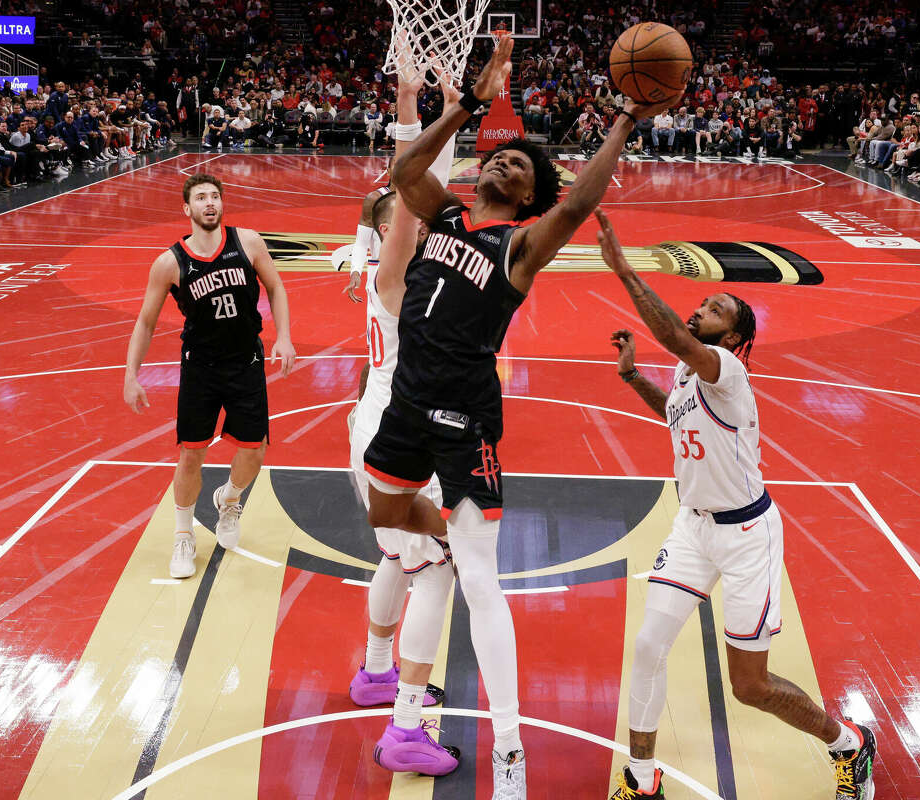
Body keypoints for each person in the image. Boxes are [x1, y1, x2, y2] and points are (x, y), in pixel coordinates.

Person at [363, 35, 666, 799]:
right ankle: (450, 536)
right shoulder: (447, 219)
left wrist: (625, 120)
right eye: (500, 157)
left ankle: (508, 750)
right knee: (386, 510)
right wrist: (466, 103)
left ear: (528, 197)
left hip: (466, 419)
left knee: (479, 582)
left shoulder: (519, 246)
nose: (502, 163)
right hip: (405, 404)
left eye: (518, 167)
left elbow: (582, 201)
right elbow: (404, 174)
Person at [592, 208, 877, 800]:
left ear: (731, 339)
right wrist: (630, 378)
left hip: (747, 536)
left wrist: (623, 270)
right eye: (703, 304)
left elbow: (672, 332)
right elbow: (673, 418)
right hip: (693, 530)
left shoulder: (727, 372)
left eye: (714, 310)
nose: (699, 309)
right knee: (647, 647)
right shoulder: (688, 375)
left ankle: (848, 741)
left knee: (749, 687)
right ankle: (642, 780)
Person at [349, 67, 463, 778]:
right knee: (438, 570)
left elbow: (419, 189)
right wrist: (427, 113)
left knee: (398, 556)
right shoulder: (395, 277)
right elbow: (412, 185)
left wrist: (437, 108)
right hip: (395, 434)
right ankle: (405, 728)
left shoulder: (395, 275)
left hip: (372, 423)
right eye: (410, 217)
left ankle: (374, 672)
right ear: (395, 228)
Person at [123, 173, 296, 578]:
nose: (209, 203)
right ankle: (183, 534)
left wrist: (284, 336)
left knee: (254, 449)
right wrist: (131, 374)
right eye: (200, 197)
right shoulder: (169, 263)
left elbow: (276, 287)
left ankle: (229, 499)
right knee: (190, 454)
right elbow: (146, 323)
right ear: (187, 209)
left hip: (246, 362)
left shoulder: (247, 241)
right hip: (200, 367)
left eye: (215, 196)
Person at [343, 158, 393, 304]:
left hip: (409, 272)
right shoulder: (374, 198)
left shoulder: (417, 199)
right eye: (397, 165)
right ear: (388, 171)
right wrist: (356, 272)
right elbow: (361, 242)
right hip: (379, 271)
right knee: (378, 325)